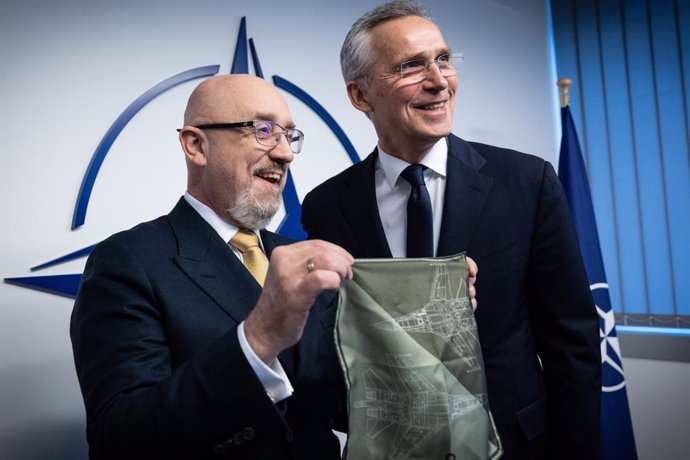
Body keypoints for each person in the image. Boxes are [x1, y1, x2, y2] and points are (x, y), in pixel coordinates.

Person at [301, 1, 602, 459]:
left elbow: (572, 343)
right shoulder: (326, 206)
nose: (439, 80)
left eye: (443, 59)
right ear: (361, 96)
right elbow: (337, 347)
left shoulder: (527, 183)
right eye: (410, 66)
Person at [70, 74, 355, 459]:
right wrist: (258, 340)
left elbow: (344, 408)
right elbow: (119, 439)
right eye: (264, 130)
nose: (285, 153)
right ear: (196, 145)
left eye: (289, 135)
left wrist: (421, 326)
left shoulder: (302, 259)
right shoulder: (127, 262)